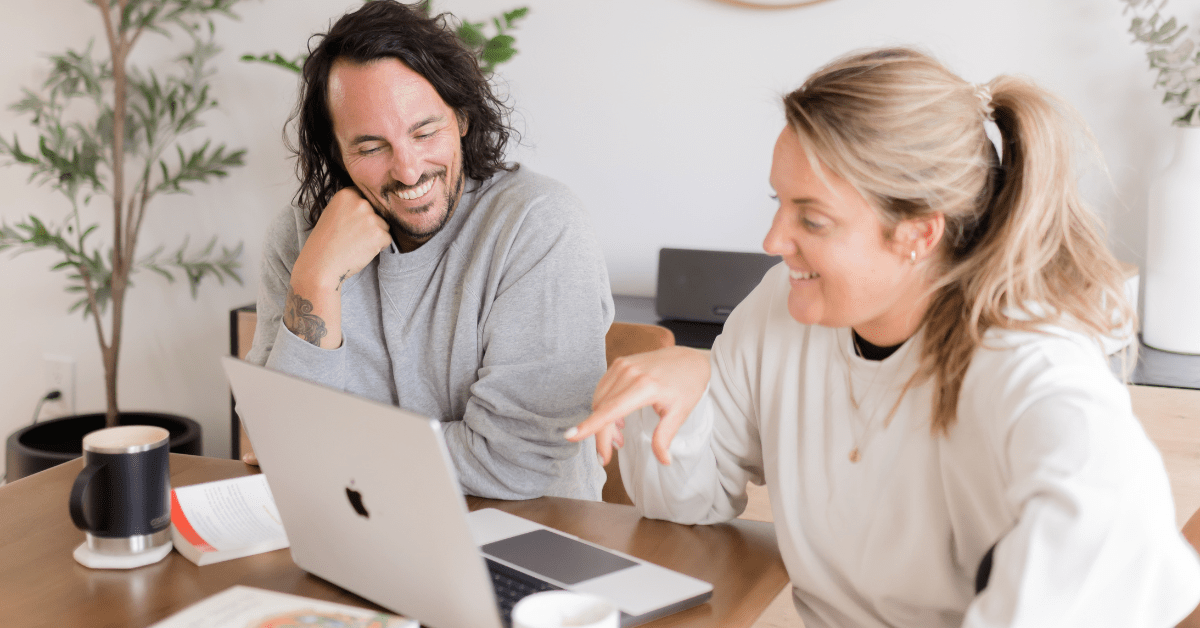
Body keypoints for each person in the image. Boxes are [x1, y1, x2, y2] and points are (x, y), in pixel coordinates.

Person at [569, 47, 1200, 626]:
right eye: (778, 202)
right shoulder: (781, 310)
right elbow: (689, 505)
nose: (772, 241)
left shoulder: (1035, 374)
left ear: (919, 234)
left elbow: (1100, 555)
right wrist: (673, 401)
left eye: (810, 218)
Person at [244, 1, 613, 501]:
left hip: (530, 535)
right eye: (371, 147)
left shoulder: (539, 224)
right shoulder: (301, 242)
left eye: (425, 132)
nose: (408, 170)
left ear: (461, 117)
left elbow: (519, 464)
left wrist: (328, 449)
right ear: (337, 151)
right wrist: (316, 280)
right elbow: (278, 445)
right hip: (364, 533)